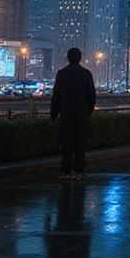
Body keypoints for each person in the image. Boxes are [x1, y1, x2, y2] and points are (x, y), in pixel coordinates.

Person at [50, 47, 97, 182]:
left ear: (68, 58)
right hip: (81, 115)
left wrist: (54, 113)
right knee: (80, 145)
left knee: (66, 145)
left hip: (66, 115)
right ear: (80, 58)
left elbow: (56, 96)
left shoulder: (62, 74)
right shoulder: (86, 74)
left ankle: (65, 172)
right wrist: (88, 111)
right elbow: (91, 96)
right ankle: (78, 172)